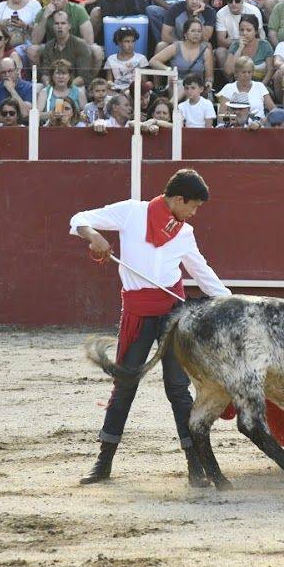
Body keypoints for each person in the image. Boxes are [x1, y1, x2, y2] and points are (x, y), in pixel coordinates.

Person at [69, 168, 231, 487]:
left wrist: (231, 302)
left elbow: (201, 271)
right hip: (138, 314)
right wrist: (94, 236)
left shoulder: (184, 232)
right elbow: (79, 218)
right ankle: (103, 465)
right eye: (193, 206)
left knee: (178, 391)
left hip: (173, 316)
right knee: (125, 386)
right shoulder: (131, 212)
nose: (194, 213)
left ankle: (195, 467)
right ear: (178, 199)